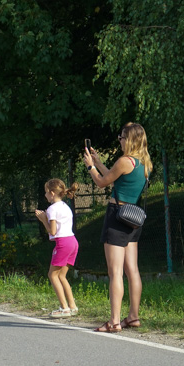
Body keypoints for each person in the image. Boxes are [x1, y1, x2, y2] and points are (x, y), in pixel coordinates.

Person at [84, 122, 152, 332]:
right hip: (133, 217)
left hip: (117, 217)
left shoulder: (124, 161)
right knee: (132, 270)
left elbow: (102, 182)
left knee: (115, 272)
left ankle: (114, 321)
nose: (119, 140)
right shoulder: (144, 163)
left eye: (122, 137)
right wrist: (98, 162)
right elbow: (115, 180)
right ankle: (133, 316)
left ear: (130, 139)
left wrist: (90, 167)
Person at [34, 179, 79, 318]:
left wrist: (43, 219)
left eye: (46, 192)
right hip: (73, 241)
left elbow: (52, 231)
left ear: (52, 193)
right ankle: (72, 306)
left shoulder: (52, 209)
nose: (45, 195)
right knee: (61, 276)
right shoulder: (65, 206)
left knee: (52, 275)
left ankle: (64, 308)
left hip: (63, 243)